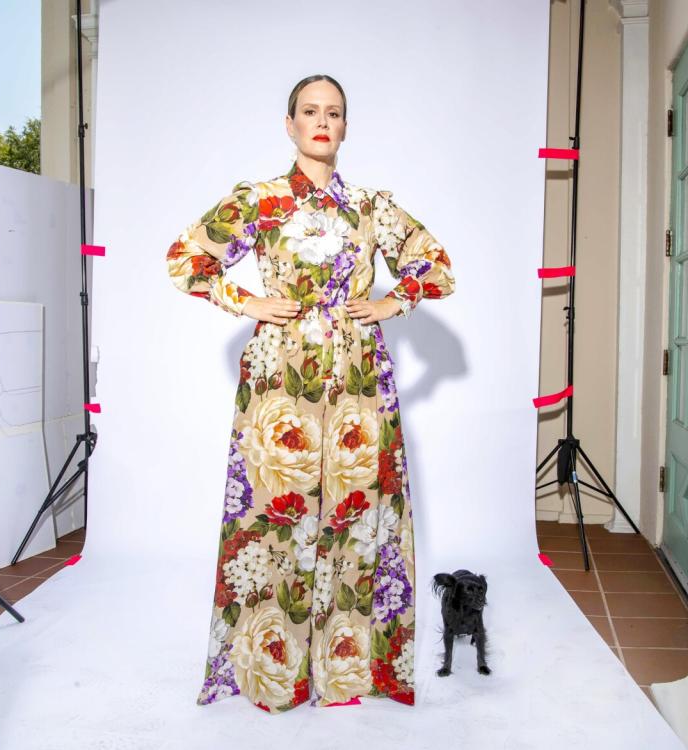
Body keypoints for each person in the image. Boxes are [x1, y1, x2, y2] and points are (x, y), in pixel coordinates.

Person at [166, 74, 455, 713]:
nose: (321, 121)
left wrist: (392, 301)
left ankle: (345, 671)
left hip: (357, 382)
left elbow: (437, 265)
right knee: (278, 520)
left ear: (346, 127)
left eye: (334, 112)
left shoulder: (372, 207)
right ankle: (275, 672)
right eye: (309, 111)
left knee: (353, 519)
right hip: (280, 383)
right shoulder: (261, 201)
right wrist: (244, 299)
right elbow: (185, 258)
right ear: (290, 123)